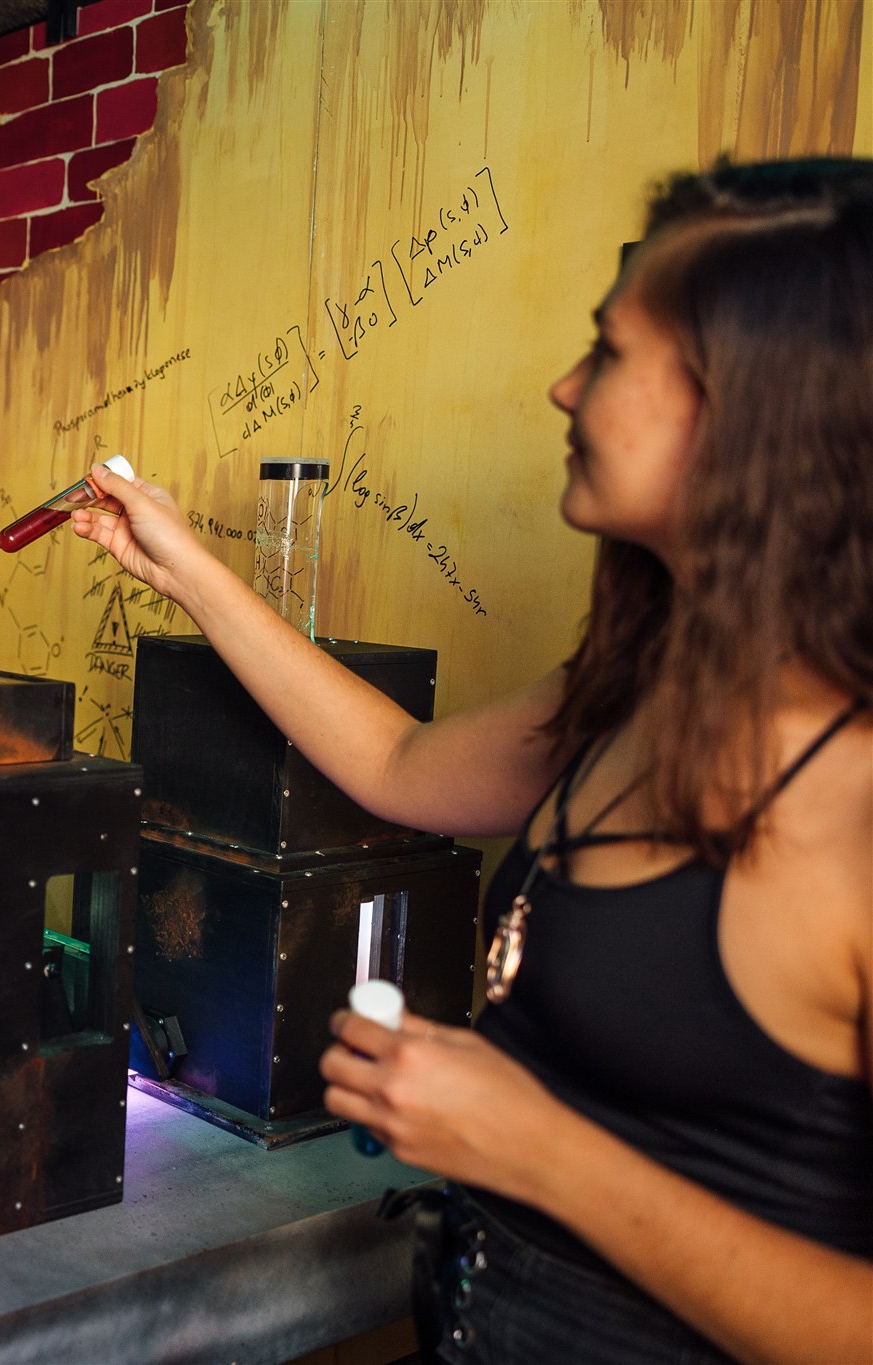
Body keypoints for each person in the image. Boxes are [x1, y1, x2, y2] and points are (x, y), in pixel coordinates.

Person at [72, 159, 872, 1363]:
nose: (561, 387)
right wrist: (180, 564)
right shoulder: (635, 681)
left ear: (759, 411)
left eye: (608, 354)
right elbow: (396, 763)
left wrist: (537, 1150)